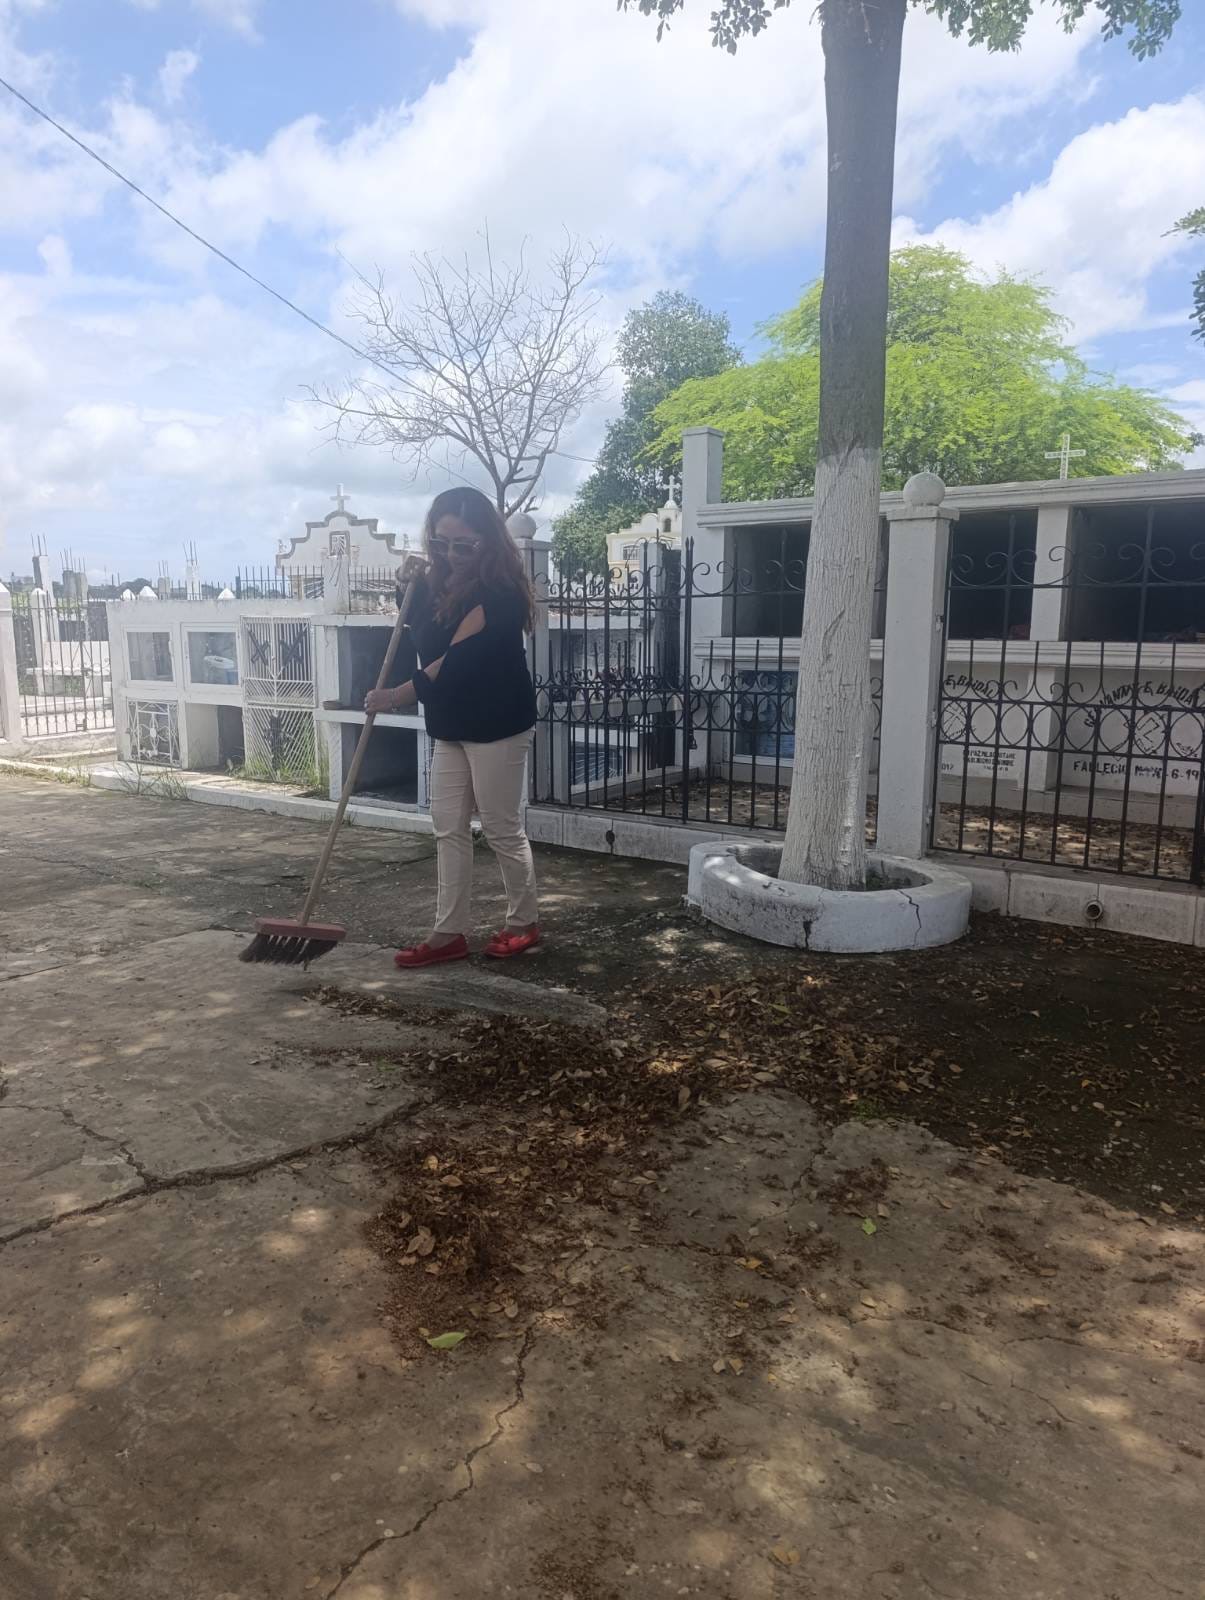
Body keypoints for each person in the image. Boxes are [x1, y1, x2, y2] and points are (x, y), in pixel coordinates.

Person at [365, 487, 540, 968]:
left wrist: (394, 697)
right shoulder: (435, 581)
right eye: (440, 543)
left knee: (500, 827)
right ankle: (448, 932)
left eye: (464, 545)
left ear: (489, 542)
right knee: (447, 828)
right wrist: (407, 586)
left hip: (498, 722)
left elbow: (451, 664)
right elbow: (422, 632)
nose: (451, 555)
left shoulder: (500, 594)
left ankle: (524, 922)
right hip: (451, 721)